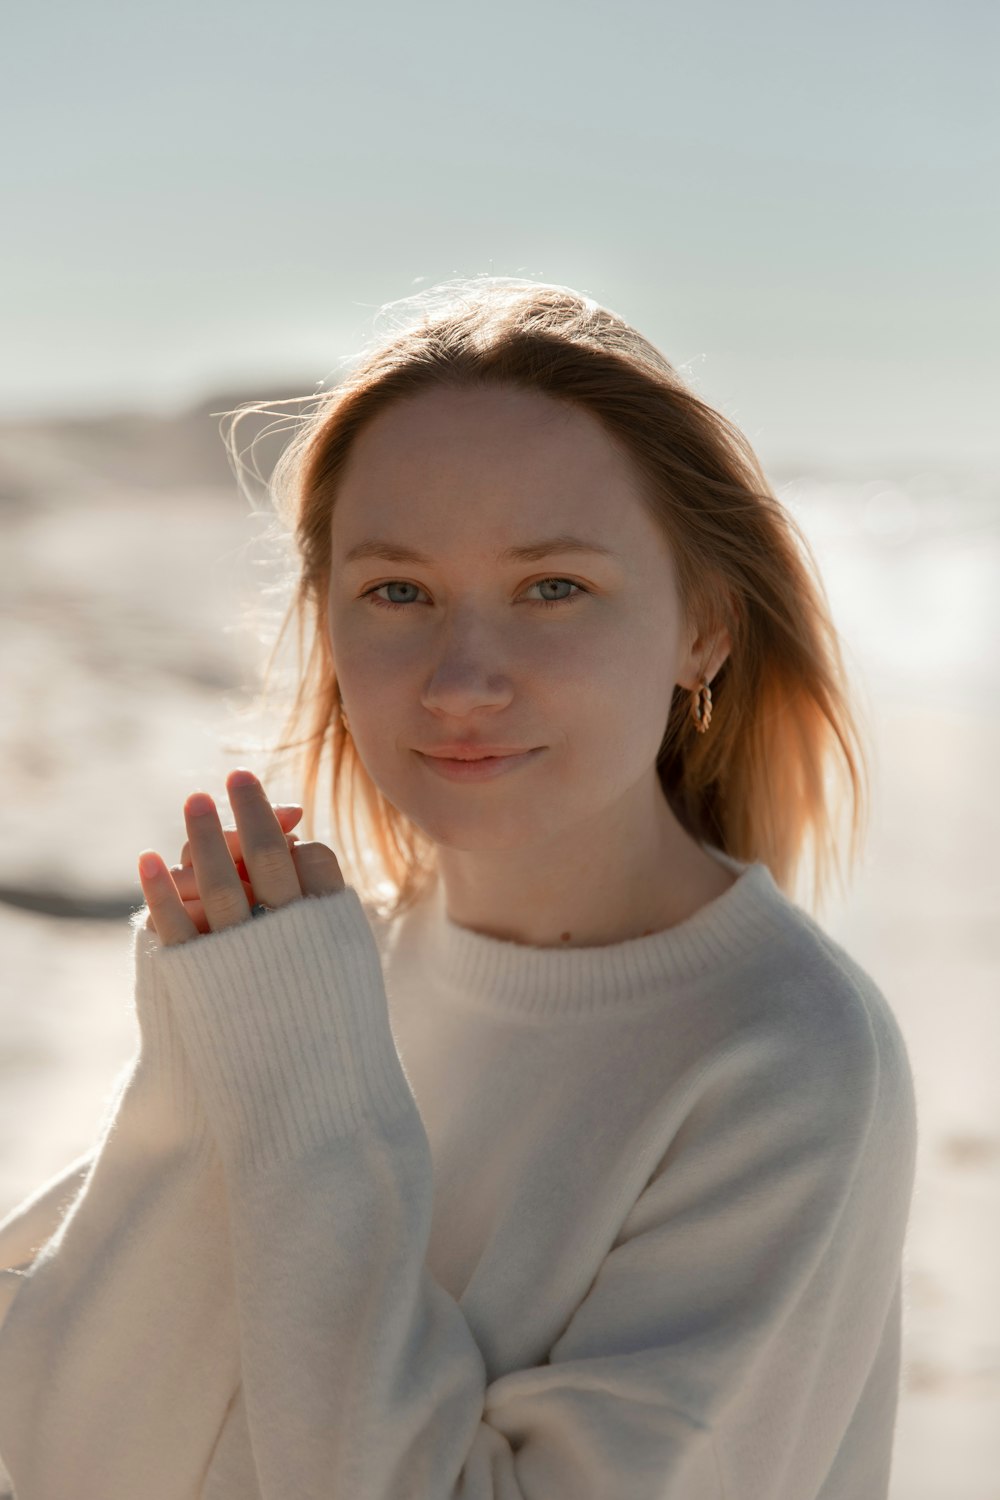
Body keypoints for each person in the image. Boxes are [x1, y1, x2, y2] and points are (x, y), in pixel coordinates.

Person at [0, 278, 917, 1498]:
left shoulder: (781, 1057)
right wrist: (215, 1060)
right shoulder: (322, 975)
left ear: (703, 625)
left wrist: (306, 1100)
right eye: (398, 593)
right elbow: (70, 1443)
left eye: (553, 588)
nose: (461, 678)